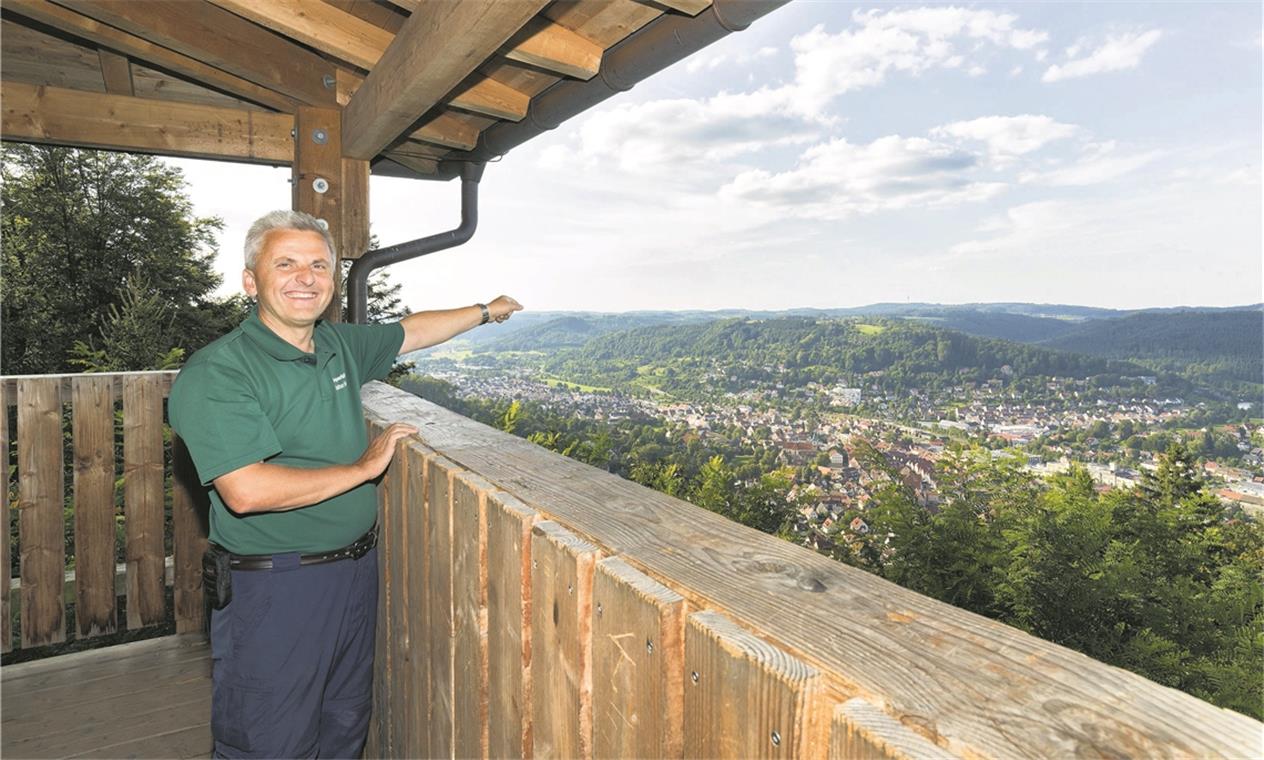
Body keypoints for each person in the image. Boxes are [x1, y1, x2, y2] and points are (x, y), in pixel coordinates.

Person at [169, 209, 521, 759]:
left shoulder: (336, 345)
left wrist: (485, 311)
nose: (305, 277)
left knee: (343, 724)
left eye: (318, 265)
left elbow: (412, 330)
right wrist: (363, 468)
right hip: (276, 583)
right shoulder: (220, 372)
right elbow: (247, 490)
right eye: (285, 264)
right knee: (269, 740)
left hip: (354, 572)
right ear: (250, 279)